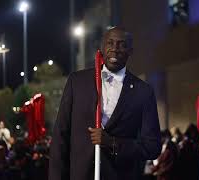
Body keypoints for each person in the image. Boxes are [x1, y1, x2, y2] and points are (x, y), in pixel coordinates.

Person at [49, 27, 161, 180]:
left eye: (122, 44)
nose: (115, 49)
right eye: (110, 43)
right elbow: (60, 136)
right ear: (102, 47)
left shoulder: (143, 92)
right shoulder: (77, 81)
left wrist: (112, 143)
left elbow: (152, 147)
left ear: (130, 51)